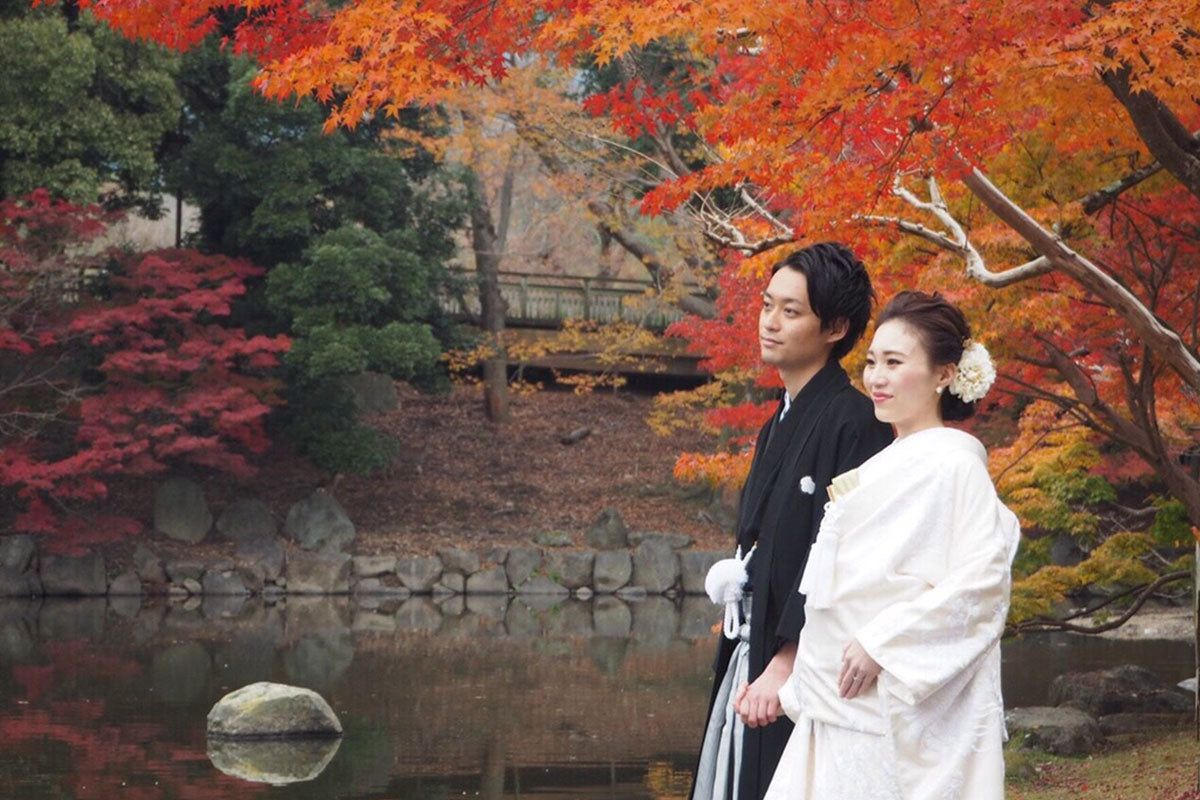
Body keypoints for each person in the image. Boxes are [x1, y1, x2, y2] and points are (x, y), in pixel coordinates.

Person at [763, 291, 1021, 800]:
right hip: (837, 690)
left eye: (895, 363)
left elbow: (983, 583)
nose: (876, 378)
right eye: (873, 362)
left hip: (891, 694)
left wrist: (884, 642)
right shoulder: (881, 462)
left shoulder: (956, 465)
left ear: (944, 374)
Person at [692, 243, 894, 800]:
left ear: (835, 328)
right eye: (766, 305)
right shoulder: (776, 422)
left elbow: (845, 558)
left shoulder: (857, 424)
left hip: (805, 660)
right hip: (755, 643)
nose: (770, 323)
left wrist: (788, 662)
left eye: (791, 311)